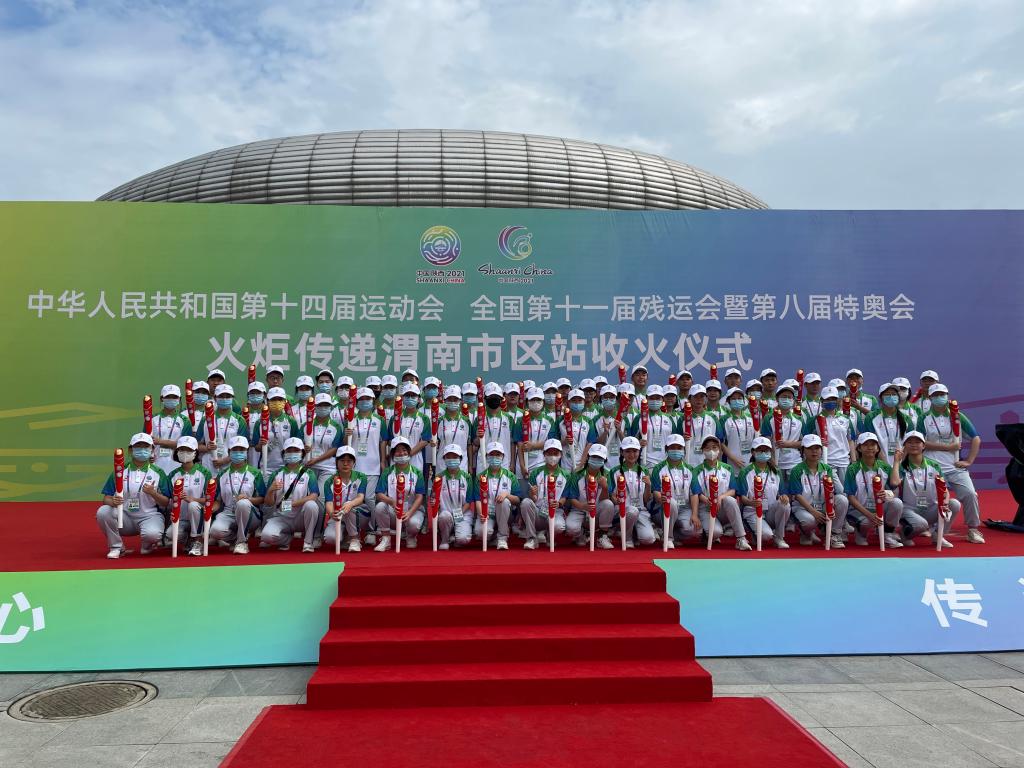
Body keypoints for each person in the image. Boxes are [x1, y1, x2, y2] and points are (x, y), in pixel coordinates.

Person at [916, 383, 985, 543]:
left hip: (955, 466)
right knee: (936, 500)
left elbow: (976, 438)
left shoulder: (957, 416)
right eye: (936, 395)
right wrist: (948, 447)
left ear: (947, 396)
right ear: (930, 398)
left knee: (970, 494)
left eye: (942, 394)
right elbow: (920, 443)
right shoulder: (924, 418)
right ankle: (934, 530)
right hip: (932, 466)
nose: (940, 397)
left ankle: (973, 529)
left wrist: (969, 460)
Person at [96, 433, 171, 559]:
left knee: (152, 534)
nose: (142, 450)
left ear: (152, 450)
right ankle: (117, 547)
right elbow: (106, 498)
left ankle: (147, 545)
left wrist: (153, 493)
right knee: (103, 512)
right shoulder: (120, 470)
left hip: (149, 516)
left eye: (146, 447)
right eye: (138, 446)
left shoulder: (158, 473)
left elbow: (166, 502)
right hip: (124, 516)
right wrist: (113, 501)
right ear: (130, 450)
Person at [892, 431, 957, 547]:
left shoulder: (934, 466)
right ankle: (904, 534)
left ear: (924, 446)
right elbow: (894, 482)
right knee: (921, 524)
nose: (914, 445)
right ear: (904, 446)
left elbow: (944, 490)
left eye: (917, 442)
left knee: (954, 504)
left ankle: (938, 535)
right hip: (909, 509)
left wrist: (946, 502)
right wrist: (896, 461)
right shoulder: (901, 467)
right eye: (910, 442)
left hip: (931, 508)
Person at [689, 434, 750, 550]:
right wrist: (707, 500)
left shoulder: (727, 468)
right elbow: (697, 493)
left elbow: (733, 490)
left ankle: (741, 538)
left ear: (720, 450)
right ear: (703, 451)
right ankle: (708, 534)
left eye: (714, 447)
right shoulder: (696, 470)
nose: (711, 451)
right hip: (706, 508)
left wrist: (721, 497)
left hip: (722, 507)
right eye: (707, 448)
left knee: (730, 500)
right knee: (716, 532)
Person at [843, 433, 904, 548]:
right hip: (859, 511)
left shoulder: (884, 467)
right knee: (866, 522)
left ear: (877, 448)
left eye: (873, 445)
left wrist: (896, 461)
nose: (870, 447)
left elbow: (895, 484)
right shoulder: (853, 469)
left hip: (879, 507)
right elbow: (850, 497)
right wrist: (870, 515)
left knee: (897, 503)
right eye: (865, 445)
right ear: (859, 448)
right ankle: (861, 534)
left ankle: (887, 534)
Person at [788, 434, 849, 549]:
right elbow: (797, 495)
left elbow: (832, 491)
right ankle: (806, 534)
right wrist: (813, 512)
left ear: (821, 450)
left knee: (842, 500)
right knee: (809, 521)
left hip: (823, 505)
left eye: (817, 448)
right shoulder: (796, 470)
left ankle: (834, 534)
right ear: (803, 450)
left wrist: (830, 508)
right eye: (810, 448)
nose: (814, 451)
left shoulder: (827, 469)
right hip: (803, 508)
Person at [262, 437, 321, 552]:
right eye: (289, 450)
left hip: (301, 516)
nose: (292, 453)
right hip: (282, 516)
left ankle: (308, 542)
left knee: (312, 505)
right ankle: (286, 539)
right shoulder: (276, 474)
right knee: (266, 537)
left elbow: (314, 496)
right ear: (284, 453)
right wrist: (270, 491)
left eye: (296, 450)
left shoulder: (308, 473)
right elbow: (269, 503)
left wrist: (292, 504)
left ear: (302, 453)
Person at [208, 436, 266, 555]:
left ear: (246, 452)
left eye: (241, 450)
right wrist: (210, 509)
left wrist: (249, 499)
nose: (238, 452)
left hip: (250, 513)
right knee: (215, 531)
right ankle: (235, 538)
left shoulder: (255, 473)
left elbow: (262, 498)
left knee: (243, 503)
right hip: (228, 512)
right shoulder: (222, 474)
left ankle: (242, 542)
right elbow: (218, 500)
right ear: (229, 452)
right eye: (235, 450)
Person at [372, 436, 426, 552]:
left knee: (414, 524)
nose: (401, 453)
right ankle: (386, 538)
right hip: (394, 510)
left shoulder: (417, 473)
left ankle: (410, 536)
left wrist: (410, 513)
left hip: (412, 510)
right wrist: (391, 501)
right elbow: (379, 494)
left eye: (404, 450)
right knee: (380, 506)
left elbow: (419, 497)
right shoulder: (387, 472)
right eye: (397, 451)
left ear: (409, 452)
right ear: (392, 454)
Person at [737, 436, 791, 548]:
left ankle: (779, 538)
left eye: (766, 450)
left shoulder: (776, 471)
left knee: (785, 505)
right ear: (753, 452)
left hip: (771, 510)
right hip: (753, 511)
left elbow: (782, 493)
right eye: (760, 450)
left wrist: (784, 497)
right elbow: (742, 497)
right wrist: (751, 502)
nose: (763, 453)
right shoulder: (745, 472)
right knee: (766, 535)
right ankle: (755, 533)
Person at [166, 435, 213, 556]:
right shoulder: (172, 475)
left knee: (193, 505)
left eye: (189, 450)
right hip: (181, 518)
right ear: (177, 452)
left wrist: (193, 499)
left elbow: (209, 499)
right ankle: (189, 539)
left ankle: (198, 541)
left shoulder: (204, 473)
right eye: (181, 450)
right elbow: (168, 499)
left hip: (199, 515)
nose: (185, 453)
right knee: (170, 534)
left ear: (195, 452)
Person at [519, 438, 571, 549]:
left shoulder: (566, 475)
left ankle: (549, 535)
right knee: (526, 502)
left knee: (559, 526)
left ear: (561, 455)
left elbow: (564, 497)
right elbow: (533, 498)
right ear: (544, 455)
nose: (552, 456)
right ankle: (532, 539)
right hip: (539, 511)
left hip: (556, 511)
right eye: (549, 453)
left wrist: (559, 503)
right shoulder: (536, 473)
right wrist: (532, 494)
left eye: (555, 453)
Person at [566, 444, 617, 549]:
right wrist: (582, 506)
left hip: (597, 508)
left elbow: (605, 499)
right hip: (579, 509)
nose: (596, 460)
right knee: (571, 529)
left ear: (604, 460)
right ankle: (582, 533)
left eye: (600, 458)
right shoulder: (577, 474)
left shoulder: (607, 474)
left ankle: (602, 535)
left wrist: (605, 488)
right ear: (588, 457)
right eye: (594, 457)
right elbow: (572, 498)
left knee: (608, 504)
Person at [609, 436, 656, 547]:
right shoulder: (614, 471)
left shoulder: (644, 471)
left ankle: (634, 532)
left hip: (641, 510)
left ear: (639, 452)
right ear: (622, 452)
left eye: (635, 451)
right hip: (622, 510)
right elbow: (611, 495)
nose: (632, 454)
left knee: (648, 539)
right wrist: (616, 500)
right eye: (628, 451)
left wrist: (648, 486)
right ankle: (627, 538)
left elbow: (646, 499)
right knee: (632, 511)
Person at [650, 434, 695, 549]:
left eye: (679, 448)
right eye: (672, 447)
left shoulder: (690, 469)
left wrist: (695, 514)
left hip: (684, 508)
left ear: (684, 449)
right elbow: (655, 491)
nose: (676, 450)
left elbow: (694, 493)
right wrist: (660, 498)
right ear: (666, 449)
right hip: (663, 507)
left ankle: (669, 533)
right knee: (672, 502)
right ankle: (668, 538)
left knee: (693, 530)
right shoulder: (658, 468)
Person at [323, 446, 371, 553]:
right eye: (342, 461)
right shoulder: (329, 482)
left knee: (349, 507)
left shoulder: (361, 477)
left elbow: (360, 497)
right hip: (339, 514)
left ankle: (355, 539)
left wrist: (351, 504)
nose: (345, 464)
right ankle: (345, 536)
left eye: (349, 461)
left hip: (358, 513)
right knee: (330, 538)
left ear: (354, 462)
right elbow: (329, 502)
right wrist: (331, 513)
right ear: (336, 462)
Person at [804, 386, 856, 483]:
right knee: (835, 490)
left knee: (845, 490)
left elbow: (850, 440)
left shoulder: (845, 418)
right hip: (825, 461)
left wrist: (853, 461)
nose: (830, 401)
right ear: (821, 400)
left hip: (844, 462)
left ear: (837, 400)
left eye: (833, 399)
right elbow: (806, 442)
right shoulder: (814, 420)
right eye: (827, 399)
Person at [475, 442, 519, 550]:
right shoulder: (480, 477)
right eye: (492, 454)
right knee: (480, 532)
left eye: (498, 455)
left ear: (503, 457)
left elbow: (518, 500)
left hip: (505, 514)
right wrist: (482, 513)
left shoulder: (510, 476)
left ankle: (502, 538)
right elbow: (478, 499)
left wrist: (506, 495)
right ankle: (493, 535)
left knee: (504, 501)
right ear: (487, 456)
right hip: (487, 513)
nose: (495, 457)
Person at [197, 384, 248, 474]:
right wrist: (206, 448)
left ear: (232, 398)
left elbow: (243, 448)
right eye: (221, 396)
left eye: (228, 396)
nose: (224, 399)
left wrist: (224, 460)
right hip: (208, 465)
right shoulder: (205, 419)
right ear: (215, 398)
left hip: (230, 465)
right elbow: (196, 445)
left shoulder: (239, 420)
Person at [251, 387, 301, 476]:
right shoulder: (260, 422)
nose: (277, 402)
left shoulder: (291, 421)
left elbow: (296, 445)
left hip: (287, 467)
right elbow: (256, 448)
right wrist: (260, 444)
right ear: (267, 401)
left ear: (285, 401)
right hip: (266, 468)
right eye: (273, 399)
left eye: (280, 399)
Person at [434, 444, 476, 550]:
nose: (452, 459)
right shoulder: (438, 477)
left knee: (463, 539)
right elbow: (434, 500)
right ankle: (445, 539)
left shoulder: (467, 477)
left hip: (463, 513)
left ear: (460, 459)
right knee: (445, 516)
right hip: (445, 514)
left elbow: (468, 502)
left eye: (455, 457)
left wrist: (456, 515)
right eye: (448, 457)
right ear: (444, 458)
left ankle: (455, 535)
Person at [761, 383, 803, 484]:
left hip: (794, 462)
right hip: (776, 462)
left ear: (793, 400)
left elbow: (805, 442)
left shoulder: (799, 419)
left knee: (794, 491)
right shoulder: (769, 417)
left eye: (790, 397)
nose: (787, 399)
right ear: (777, 398)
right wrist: (772, 461)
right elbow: (766, 442)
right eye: (784, 397)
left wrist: (789, 444)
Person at [476, 382, 520, 474]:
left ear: (501, 399)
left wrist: (512, 463)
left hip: (504, 462)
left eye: (496, 397)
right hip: (484, 462)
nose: (494, 400)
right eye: (491, 397)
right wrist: (478, 437)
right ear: (485, 399)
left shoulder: (509, 418)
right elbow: (475, 443)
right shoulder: (479, 418)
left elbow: (512, 443)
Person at [305, 393, 344, 493]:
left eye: (326, 405)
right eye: (320, 405)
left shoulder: (336, 427)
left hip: (327, 467)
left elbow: (334, 449)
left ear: (330, 407)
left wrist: (317, 459)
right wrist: (303, 448)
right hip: (309, 466)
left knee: (321, 497)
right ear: (315, 407)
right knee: (308, 495)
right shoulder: (306, 425)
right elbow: (299, 445)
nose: (323, 408)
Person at [518, 387, 557, 487]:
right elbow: (519, 444)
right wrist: (522, 466)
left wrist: (533, 446)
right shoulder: (520, 420)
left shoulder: (549, 420)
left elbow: (551, 443)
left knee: (540, 491)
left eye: (538, 400)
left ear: (543, 402)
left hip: (541, 462)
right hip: (523, 464)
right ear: (527, 402)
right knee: (525, 493)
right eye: (533, 400)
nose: (536, 402)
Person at [861, 383, 908, 465]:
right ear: (881, 397)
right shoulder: (871, 417)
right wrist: (885, 466)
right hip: (879, 464)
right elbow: (870, 443)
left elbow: (909, 443)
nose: (891, 396)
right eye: (887, 394)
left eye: (894, 394)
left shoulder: (906, 418)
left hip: (901, 464)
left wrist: (899, 465)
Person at [152, 384, 192, 474]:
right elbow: (146, 443)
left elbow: (186, 445)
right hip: (156, 464)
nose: (171, 399)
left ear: (179, 399)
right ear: (162, 398)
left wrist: (160, 442)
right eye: (168, 397)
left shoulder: (185, 420)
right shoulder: (153, 419)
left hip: (178, 465)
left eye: (174, 397)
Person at [633, 384, 673, 471]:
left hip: (665, 463)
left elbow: (674, 441)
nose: (655, 401)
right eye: (652, 398)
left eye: (658, 398)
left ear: (662, 399)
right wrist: (638, 443)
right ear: (646, 399)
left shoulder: (669, 418)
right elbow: (631, 440)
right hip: (645, 462)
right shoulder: (639, 418)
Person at [393, 383, 431, 473]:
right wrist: (400, 454)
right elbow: (391, 438)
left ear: (418, 399)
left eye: (413, 396)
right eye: (407, 395)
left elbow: (425, 440)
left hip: (416, 459)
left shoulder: (424, 418)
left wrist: (408, 454)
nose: (410, 398)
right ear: (402, 398)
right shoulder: (395, 417)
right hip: (397, 458)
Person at [719, 387, 757, 470]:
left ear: (744, 400)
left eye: (739, 398)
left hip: (751, 463)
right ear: (728, 401)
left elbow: (756, 439)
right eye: (733, 399)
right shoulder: (723, 419)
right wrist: (734, 459)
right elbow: (721, 443)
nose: (737, 401)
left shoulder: (752, 418)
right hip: (731, 463)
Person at [559, 388, 596, 473]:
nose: (577, 403)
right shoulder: (560, 420)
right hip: (564, 465)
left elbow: (590, 443)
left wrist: (582, 463)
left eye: (580, 400)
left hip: (580, 465)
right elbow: (553, 441)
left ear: (584, 402)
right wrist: (564, 442)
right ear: (568, 402)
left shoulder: (588, 421)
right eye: (574, 400)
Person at [436, 385, 472, 472]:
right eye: (450, 399)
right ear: (445, 400)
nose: (452, 402)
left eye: (455, 399)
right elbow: (435, 443)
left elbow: (469, 444)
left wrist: (470, 465)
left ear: (460, 401)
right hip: (442, 465)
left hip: (461, 465)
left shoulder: (466, 421)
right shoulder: (439, 421)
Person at [682, 385, 719, 467]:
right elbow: (677, 440)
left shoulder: (713, 417)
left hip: (708, 461)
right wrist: (682, 438)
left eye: (702, 396)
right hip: (688, 461)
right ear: (689, 399)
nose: (699, 399)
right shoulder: (682, 418)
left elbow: (719, 441)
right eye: (695, 397)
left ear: (706, 399)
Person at [593, 384, 625, 471]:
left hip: (620, 463)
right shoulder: (595, 420)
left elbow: (627, 442)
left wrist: (619, 431)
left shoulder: (624, 419)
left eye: (611, 397)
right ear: (601, 399)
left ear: (616, 399)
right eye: (605, 397)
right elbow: (595, 443)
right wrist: (605, 432)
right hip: (602, 463)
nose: (608, 400)